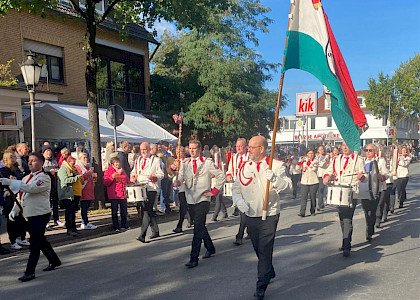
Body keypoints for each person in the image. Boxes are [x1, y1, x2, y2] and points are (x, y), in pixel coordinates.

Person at [232, 135, 291, 300]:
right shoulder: (245, 166)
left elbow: (289, 188)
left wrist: (274, 178)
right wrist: (238, 200)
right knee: (257, 247)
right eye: (248, 147)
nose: (248, 150)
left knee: (265, 249)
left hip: (269, 214)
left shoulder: (277, 166)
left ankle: (261, 286)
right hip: (250, 213)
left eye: (251, 147)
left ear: (262, 149)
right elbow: (237, 187)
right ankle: (268, 270)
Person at [0, 152, 61, 282]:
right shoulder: (26, 177)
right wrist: (14, 211)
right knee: (40, 240)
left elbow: (31, 189)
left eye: (33, 160)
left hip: (40, 214)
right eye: (29, 161)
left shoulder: (44, 177)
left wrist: (10, 182)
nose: (30, 163)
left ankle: (30, 272)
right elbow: (20, 196)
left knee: (34, 243)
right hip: (28, 214)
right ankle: (54, 260)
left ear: (41, 163)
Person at [174, 139, 225, 268]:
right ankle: (210, 247)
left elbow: (221, 176)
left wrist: (213, 191)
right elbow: (180, 178)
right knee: (200, 225)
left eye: (194, 148)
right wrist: (177, 181)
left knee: (197, 228)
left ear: (200, 149)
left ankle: (194, 258)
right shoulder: (185, 163)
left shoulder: (207, 163)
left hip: (203, 198)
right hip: (190, 198)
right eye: (190, 148)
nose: (191, 150)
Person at [323, 141, 365, 257]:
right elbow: (329, 171)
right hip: (339, 192)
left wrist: (361, 177)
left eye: (347, 145)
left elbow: (364, 177)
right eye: (343, 146)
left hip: (352, 191)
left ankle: (347, 245)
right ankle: (345, 240)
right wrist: (326, 177)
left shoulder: (358, 159)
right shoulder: (336, 159)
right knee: (342, 218)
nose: (345, 148)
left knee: (347, 218)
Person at [131, 142, 164, 242]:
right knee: (147, 209)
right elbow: (134, 172)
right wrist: (132, 177)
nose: (143, 152)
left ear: (149, 149)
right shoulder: (138, 160)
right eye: (141, 150)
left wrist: (155, 177)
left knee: (147, 209)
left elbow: (161, 174)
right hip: (141, 187)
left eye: (145, 149)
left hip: (152, 187)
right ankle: (155, 231)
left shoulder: (156, 160)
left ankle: (142, 234)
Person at [357, 144, 388, 241]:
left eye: (370, 150)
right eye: (366, 150)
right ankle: (368, 228)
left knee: (373, 210)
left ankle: (371, 227)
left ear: (375, 151)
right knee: (366, 211)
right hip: (363, 189)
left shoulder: (380, 161)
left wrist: (381, 177)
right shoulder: (361, 161)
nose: (368, 152)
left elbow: (387, 173)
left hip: (375, 189)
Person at [0, 151, 28, 250]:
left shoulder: (16, 169)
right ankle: (13, 240)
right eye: (13, 157)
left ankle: (21, 237)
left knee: (21, 218)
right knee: (12, 219)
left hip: (19, 195)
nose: (15, 159)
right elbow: (6, 183)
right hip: (9, 196)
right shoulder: (3, 170)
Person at [226, 138, 249, 245]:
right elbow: (230, 170)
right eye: (237, 146)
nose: (238, 148)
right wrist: (229, 175)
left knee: (245, 211)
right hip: (237, 186)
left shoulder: (250, 157)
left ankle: (239, 235)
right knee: (242, 210)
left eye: (240, 146)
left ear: (245, 147)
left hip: (248, 186)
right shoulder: (234, 158)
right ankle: (247, 231)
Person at [57, 156, 83, 236]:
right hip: (68, 194)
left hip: (75, 193)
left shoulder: (73, 169)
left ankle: (74, 227)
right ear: (68, 161)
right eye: (72, 163)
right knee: (69, 212)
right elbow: (64, 180)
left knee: (73, 212)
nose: (74, 164)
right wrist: (76, 178)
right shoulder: (63, 169)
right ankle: (69, 228)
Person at [104, 156, 130, 233]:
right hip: (114, 194)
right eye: (115, 162)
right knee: (114, 211)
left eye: (118, 162)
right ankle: (115, 226)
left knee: (124, 210)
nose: (117, 164)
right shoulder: (108, 171)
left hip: (122, 193)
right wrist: (112, 177)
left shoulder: (122, 171)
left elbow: (127, 180)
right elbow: (106, 182)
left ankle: (124, 224)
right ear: (112, 164)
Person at [172, 146, 192, 233]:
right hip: (178, 185)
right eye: (177, 151)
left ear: (183, 152)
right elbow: (170, 175)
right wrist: (172, 170)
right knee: (184, 205)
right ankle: (191, 219)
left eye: (180, 151)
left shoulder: (187, 161)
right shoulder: (174, 161)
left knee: (183, 205)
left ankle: (179, 225)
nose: (178, 153)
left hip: (185, 185)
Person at [42, 146, 63, 227]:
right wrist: (49, 172)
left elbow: (59, 169)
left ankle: (56, 219)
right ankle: (47, 221)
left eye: (50, 151)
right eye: (47, 151)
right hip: (46, 185)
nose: (49, 153)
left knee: (55, 203)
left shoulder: (54, 161)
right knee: (47, 204)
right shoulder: (42, 161)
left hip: (55, 184)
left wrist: (57, 172)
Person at [75, 153, 97, 230]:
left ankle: (85, 222)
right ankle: (84, 222)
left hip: (89, 189)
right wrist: (89, 173)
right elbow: (81, 178)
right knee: (83, 207)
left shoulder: (87, 167)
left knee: (87, 207)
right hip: (83, 190)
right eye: (84, 158)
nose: (86, 159)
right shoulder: (78, 167)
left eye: (86, 157)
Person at [297, 149, 319, 217]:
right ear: (307, 154)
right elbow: (297, 168)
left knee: (313, 197)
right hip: (304, 181)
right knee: (304, 197)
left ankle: (312, 211)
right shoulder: (304, 161)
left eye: (312, 153)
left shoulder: (315, 161)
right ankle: (302, 212)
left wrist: (309, 162)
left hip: (313, 181)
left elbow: (313, 169)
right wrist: (300, 161)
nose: (311, 155)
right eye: (309, 153)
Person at [211, 146, 228, 221]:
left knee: (218, 197)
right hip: (215, 180)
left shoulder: (222, 160)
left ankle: (215, 216)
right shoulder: (213, 161)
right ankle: (225, 212)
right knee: (219, 197)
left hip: (220, 179)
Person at [316, 145, 329, 211]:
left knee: (322, 190)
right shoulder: (316, 157)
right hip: (317, 175)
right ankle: (321, 203)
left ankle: (320, 204)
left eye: (322, 149)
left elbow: (322, 164)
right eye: (320, 149)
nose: (321, 151)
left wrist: (317, 161)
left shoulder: (326, 157)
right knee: (319, 190)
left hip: (323, 175)